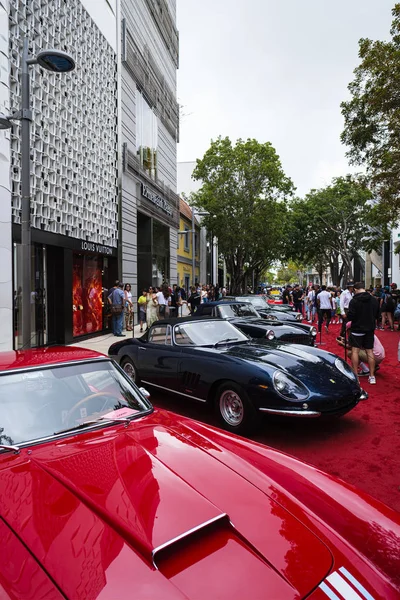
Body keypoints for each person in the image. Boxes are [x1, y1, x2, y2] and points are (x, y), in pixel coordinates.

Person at [347, 282, 380, 384]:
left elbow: (351, 316)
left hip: (357, 329)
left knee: (355, 351)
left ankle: (355, 376)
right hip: (369, 329)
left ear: (356, 289)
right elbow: (377, 315)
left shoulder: (354, 301)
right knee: (370, 352)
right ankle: (372, 376)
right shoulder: (373, 300)